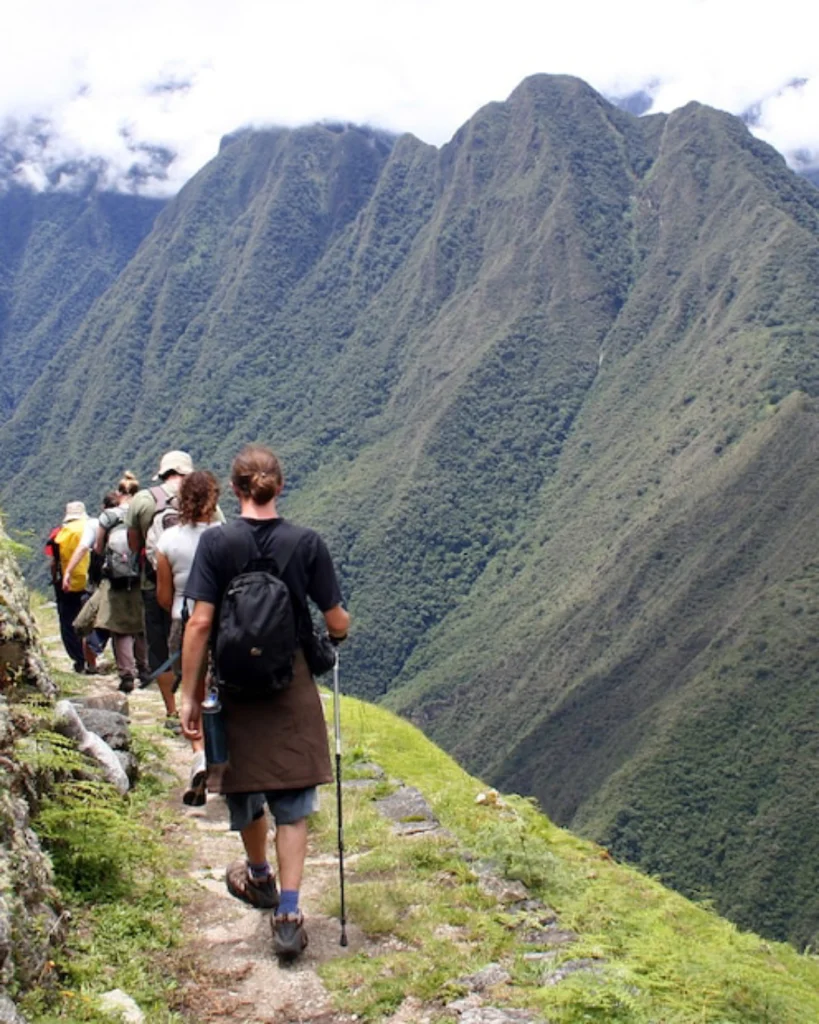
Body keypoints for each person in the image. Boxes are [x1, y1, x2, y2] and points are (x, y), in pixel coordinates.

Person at [179, 444, 349, 960]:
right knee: (292, 802)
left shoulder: (216, 543)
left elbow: (201, 622)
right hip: (289, 681)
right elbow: (337, 620)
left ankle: (258, 876)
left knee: (245, 786)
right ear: (280, 487)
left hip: (232, 683)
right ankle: (291, 914)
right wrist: (332, 638)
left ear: (234, 490)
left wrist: (189, 695)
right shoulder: (307, 544)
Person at [126, 450, 214, 731]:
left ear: (163, 473)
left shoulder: (144, 499)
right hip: (200, 592)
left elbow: (133, 543)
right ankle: (204, 708)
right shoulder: (205, 498)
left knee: (160, 649)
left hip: (154, 586)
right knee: (202, 650)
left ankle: (172, 711)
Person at [155, 470, 221, 805]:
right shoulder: (226, 536)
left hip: (184, 619)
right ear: (214, 498)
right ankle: (221, 755)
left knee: (193, 689)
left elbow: (163, 595)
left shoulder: (167, 541)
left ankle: (199, 754)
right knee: (219, 687)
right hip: (224, 621)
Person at [94, 475, 149, 693]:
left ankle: (127, 674)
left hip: (115, 578)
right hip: (141, 576)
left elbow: (98, 547)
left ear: (118, 494)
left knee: (120, 628)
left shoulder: (108, 516)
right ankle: (144, 668)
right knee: (141, 625)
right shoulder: (144, 513)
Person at [45, 501, 91, 673]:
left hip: (66, 584)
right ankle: (91, 658)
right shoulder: (91, 528)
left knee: (68, 622)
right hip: (89, 582)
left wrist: (56, 579)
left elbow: (53, 562)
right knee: (89, 619)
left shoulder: (59, 533)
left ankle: (78, 660)